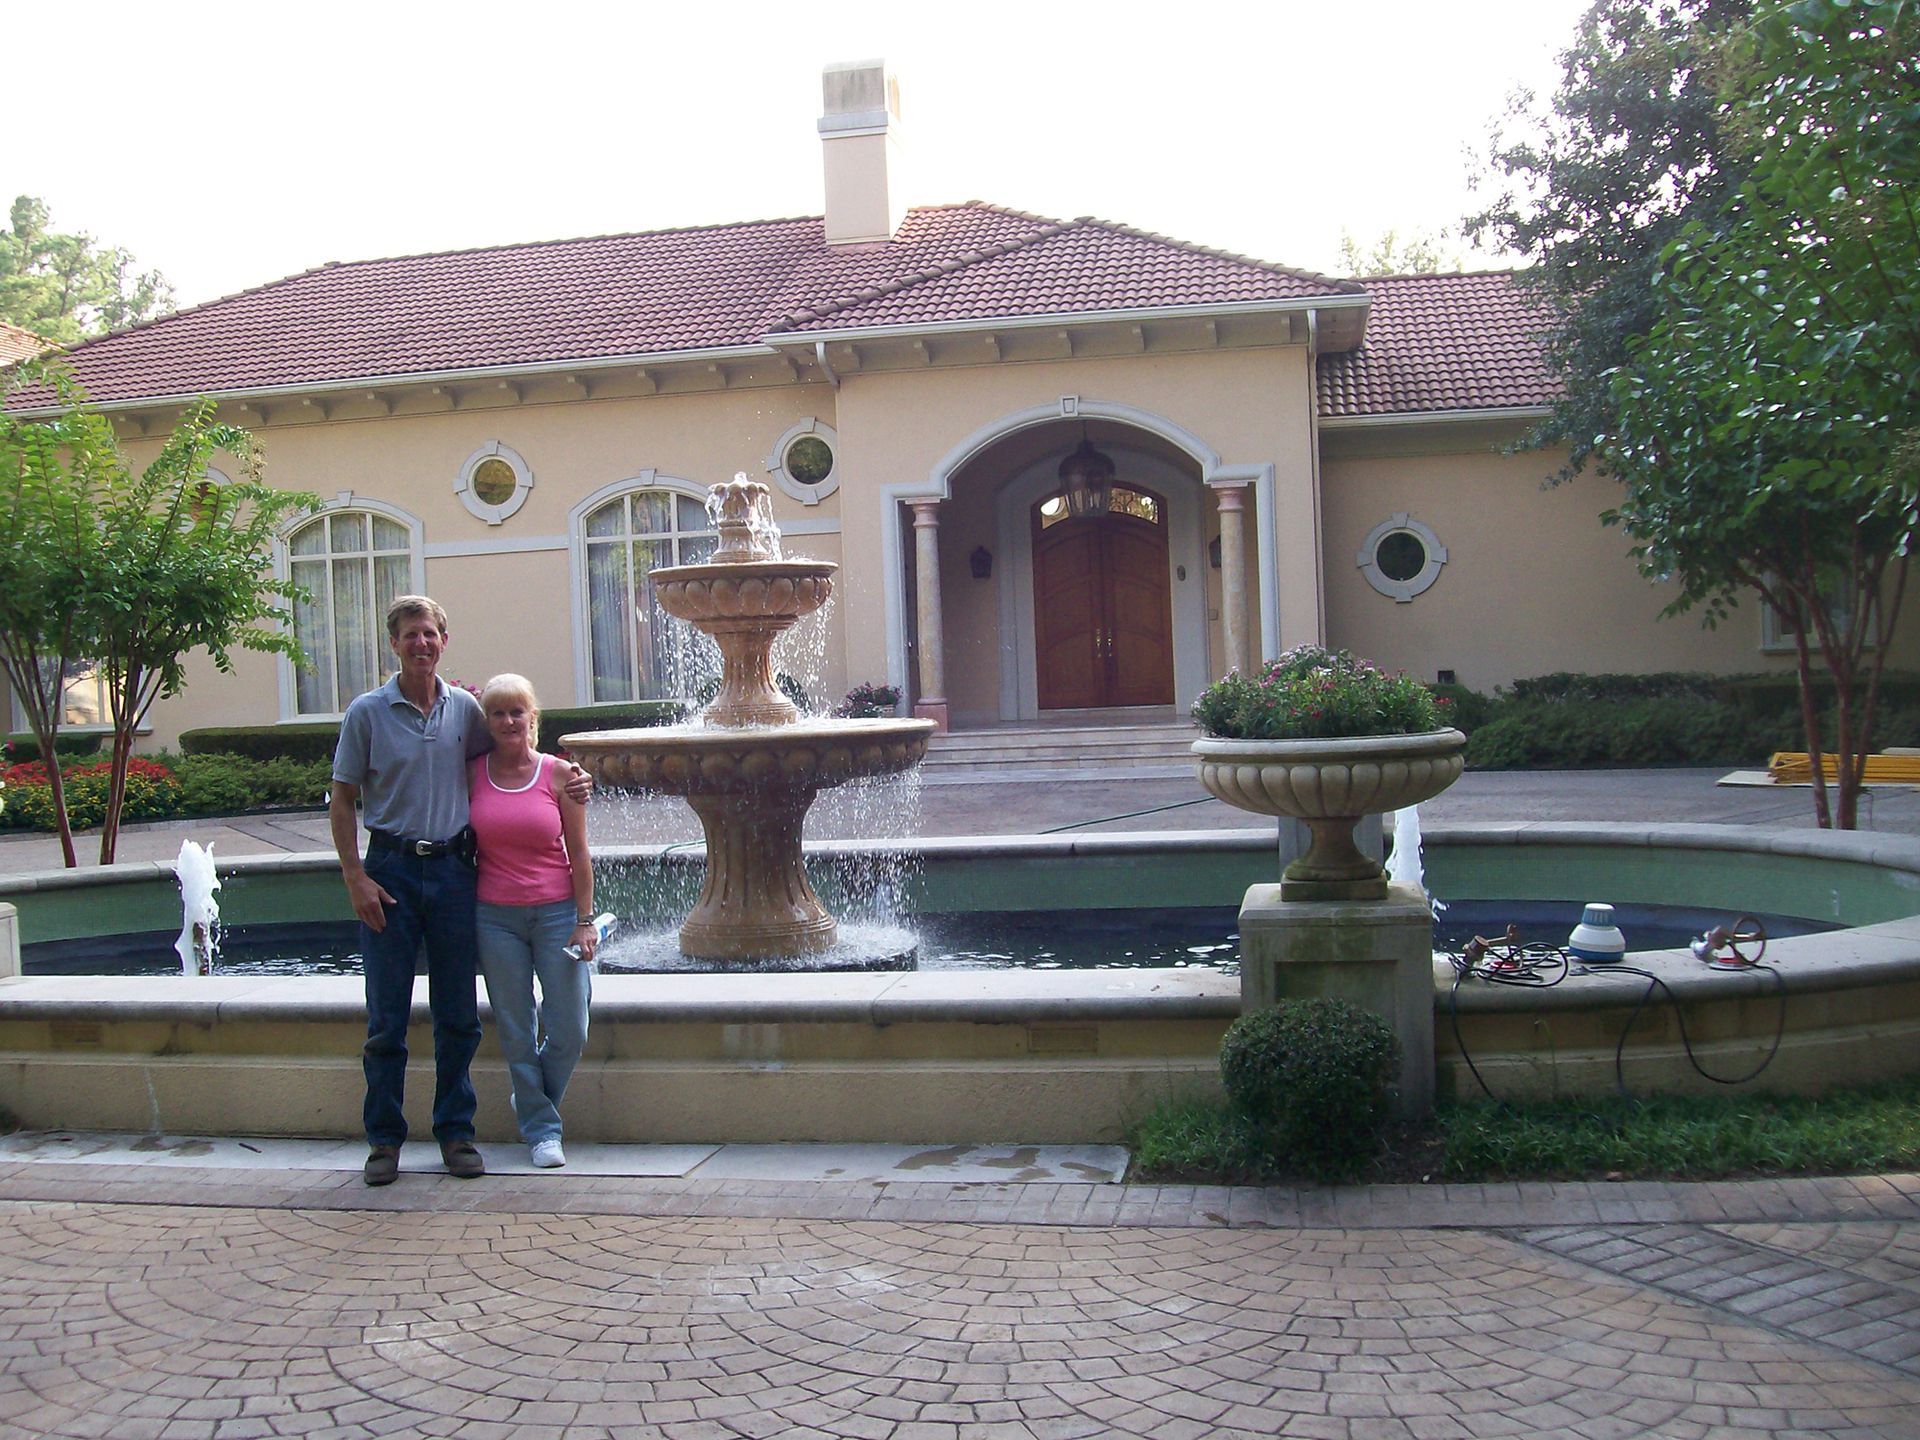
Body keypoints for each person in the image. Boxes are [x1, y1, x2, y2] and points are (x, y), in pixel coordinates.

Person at [330, 595, 590, 1187]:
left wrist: (573, 779)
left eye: (430, 634)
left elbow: (510, 761)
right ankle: (384, 1140)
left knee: (457, 1016)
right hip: (390, 872)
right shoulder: (366, 713)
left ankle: (455, 1132)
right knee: (386, 1017)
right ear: (392, 643)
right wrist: (354, 875)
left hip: (453, 875)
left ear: (444, 642)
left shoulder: (465, 710)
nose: (421, 643)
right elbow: (342, 799)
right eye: (409, 635)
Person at [467, 673, 597, 1169]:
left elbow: (579, 855)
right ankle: (542, 1131)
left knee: (570, 1027)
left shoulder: (562, 775)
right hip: (494, 917)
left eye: (517, 711)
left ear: (532, 718)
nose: (508, 720)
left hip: (558, 914)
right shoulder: (472, 774)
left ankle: (531, 1099)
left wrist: (585, 920)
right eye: (498, 713)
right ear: (488, 723)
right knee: (517, 1027)